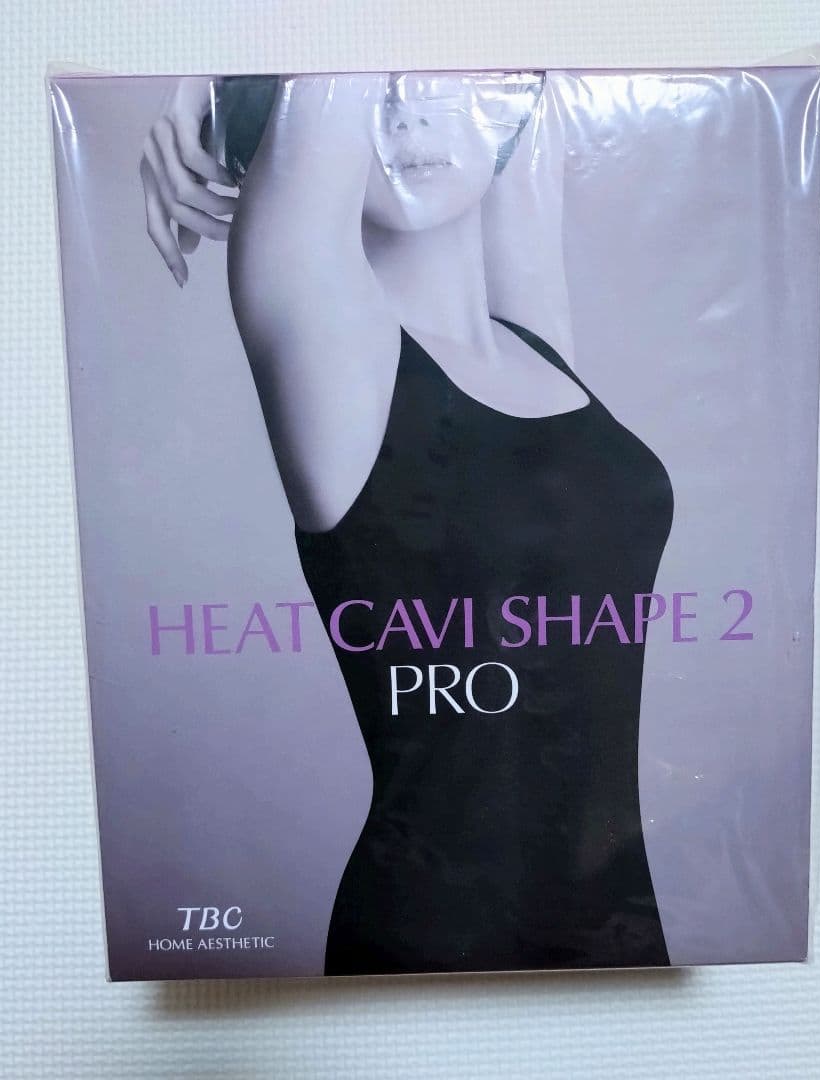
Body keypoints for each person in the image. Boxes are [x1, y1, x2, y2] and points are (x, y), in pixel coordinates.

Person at [140, 70, 674, 974]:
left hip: (620, 927)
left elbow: (530, 84)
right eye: (383, 88)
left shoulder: (527, 338)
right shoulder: (324, 336)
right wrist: (208, 69)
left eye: (442, 83)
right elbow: (326, 58)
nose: (416, 114)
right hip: (431, 935)